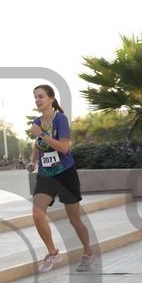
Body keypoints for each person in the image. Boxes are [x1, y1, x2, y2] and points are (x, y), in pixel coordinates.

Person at [28, 84, 95, 272]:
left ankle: (88, 252)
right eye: (35, 97)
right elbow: (37, 144)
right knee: (37, 214)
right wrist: (33, 161)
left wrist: (42, 134)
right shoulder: (37, 121)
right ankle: (53, 253)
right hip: (46, 174)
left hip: (65, 173)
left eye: (41, 96)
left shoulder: (60, 119)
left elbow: (64, 148)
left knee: (74, 220)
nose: (37, 100)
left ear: (51, 98)